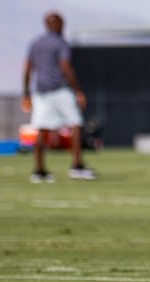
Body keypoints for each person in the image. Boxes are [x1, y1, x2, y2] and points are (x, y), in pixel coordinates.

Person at [21, 12, 95, 183]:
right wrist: (78, 90)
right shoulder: (60, 43)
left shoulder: (35, 43)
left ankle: (39, 171)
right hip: (60, 90)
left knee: (42, 128)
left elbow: (27, 69)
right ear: (59, 24)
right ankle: (77, 166)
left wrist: (26, 93)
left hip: (41, 92)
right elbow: (65, 67)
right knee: (75, 124)